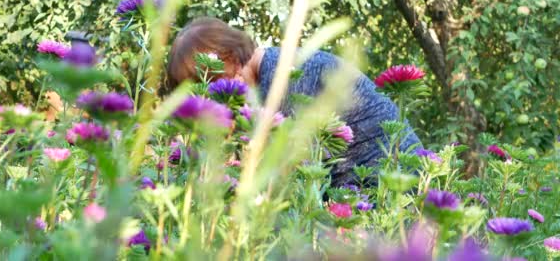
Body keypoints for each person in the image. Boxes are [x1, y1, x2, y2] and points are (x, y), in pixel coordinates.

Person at [166, 17, 422, 186]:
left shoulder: (286, 76)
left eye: (213, 82)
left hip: (397, 184)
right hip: (365, 190)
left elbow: (292, 170)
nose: (215, 99)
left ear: (230, 58)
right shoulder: (266, 82)